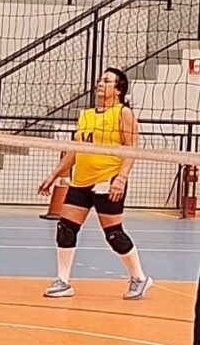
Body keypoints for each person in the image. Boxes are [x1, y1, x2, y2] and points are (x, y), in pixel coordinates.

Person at [38, 67, 153, 300]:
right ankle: (63, 281)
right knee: (65, 228)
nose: (100, 83)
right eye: (100, 80)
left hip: (107, 179)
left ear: (118, 89)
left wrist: (121, 179)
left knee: (113, 234)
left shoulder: (123, 113)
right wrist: (53, 175)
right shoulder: (86, 115)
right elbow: (75, 150)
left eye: (107, 81)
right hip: (81, 181)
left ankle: (139, 277)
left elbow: (132, 148)